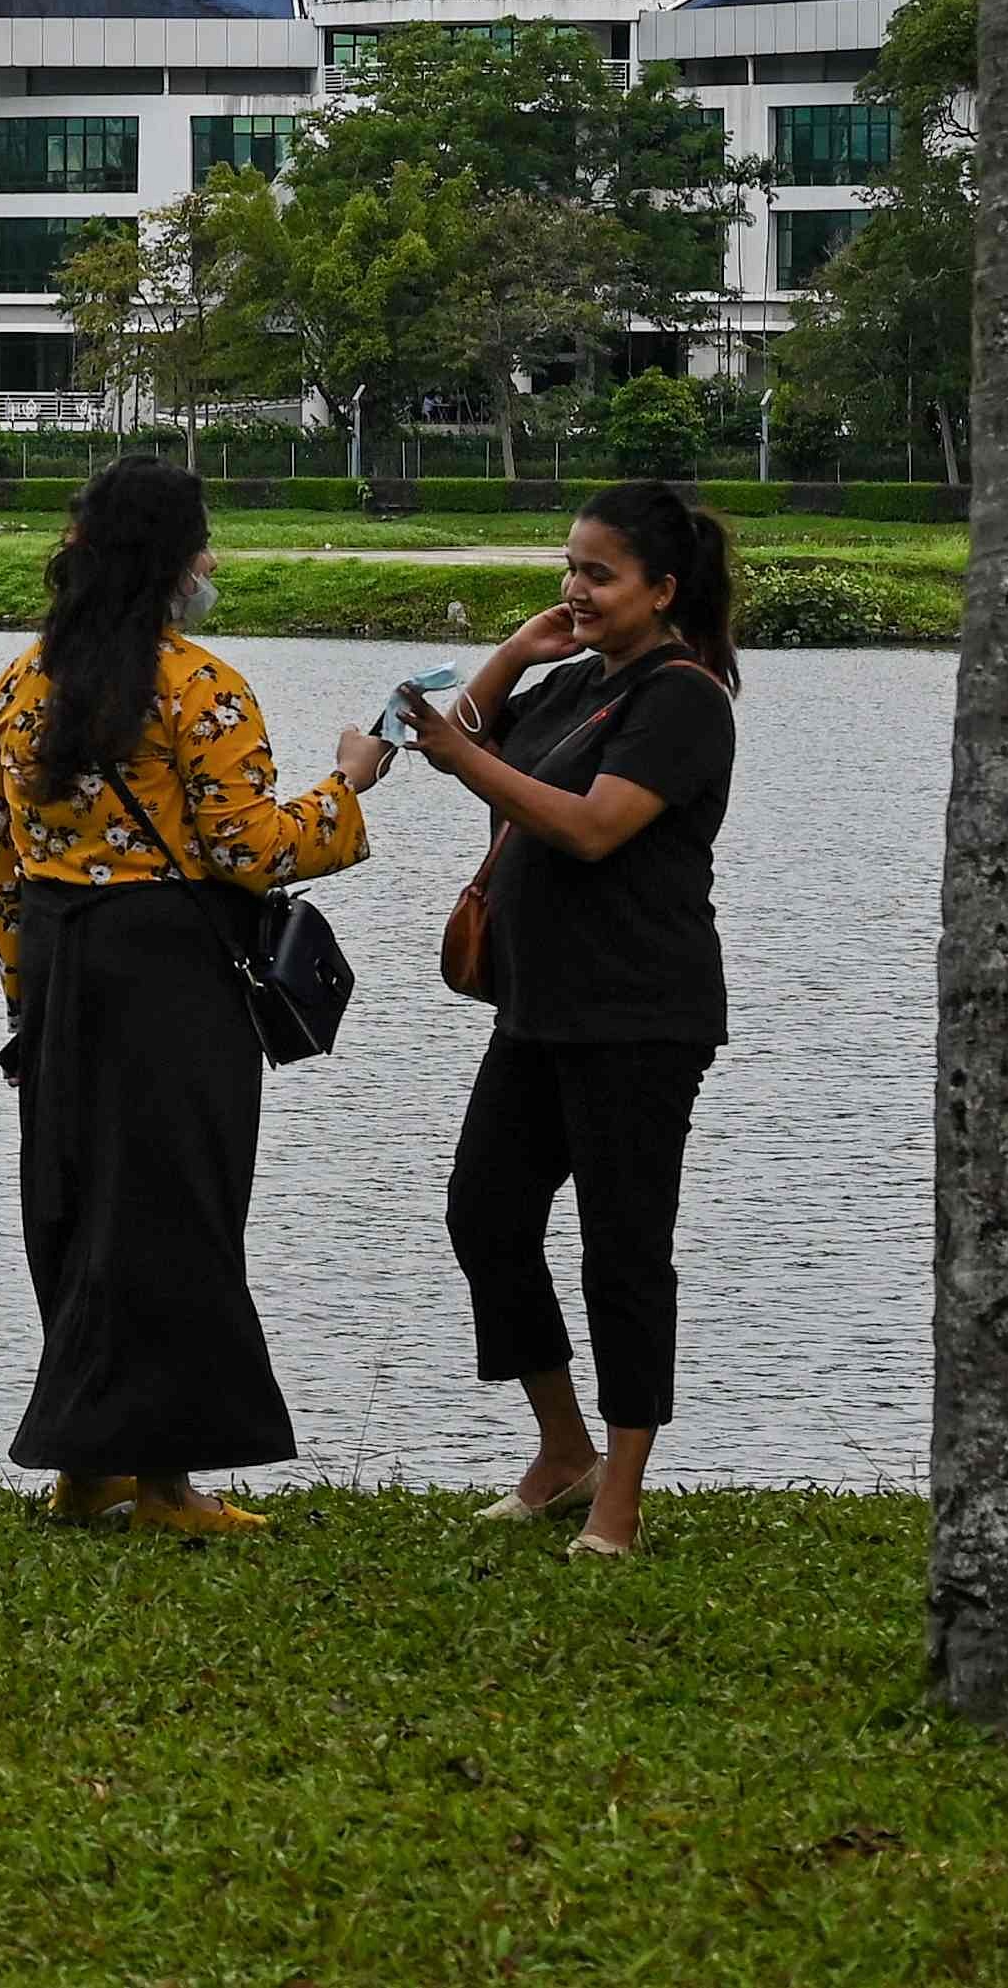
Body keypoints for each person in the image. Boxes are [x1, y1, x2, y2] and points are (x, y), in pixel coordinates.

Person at [0, 456, 387, 1536]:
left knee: (75, 1209)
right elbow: (250, 849)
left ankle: (84, 1466)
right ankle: (164, 1488)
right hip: (168, 974)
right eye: (200, 543)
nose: (210, 563)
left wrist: (26, 1001)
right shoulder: (199, 689)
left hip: (64, 966)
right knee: (176, 1210)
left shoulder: (20, 685)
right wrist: (347, 785)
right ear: (167, 561)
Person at [398, 478, 741, 1563]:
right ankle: (561, 1450)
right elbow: (456, 733)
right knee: (483, 1216)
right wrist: (514, 649)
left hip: (638, 1015)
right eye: (568, 568)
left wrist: (470, 765)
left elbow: (593, 829)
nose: (574, 589)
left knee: (621, 1251)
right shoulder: (576, 684)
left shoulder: (680, 699)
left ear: (662, 588)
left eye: (597, 574)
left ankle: (619, 1502)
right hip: (539, 1009)